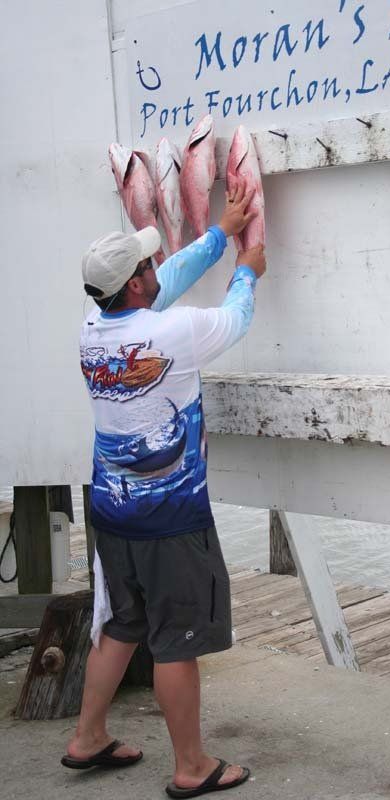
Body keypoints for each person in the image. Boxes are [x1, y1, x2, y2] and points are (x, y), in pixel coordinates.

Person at [63, 181, 266, 798]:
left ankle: (87, 737)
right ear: (132, 284)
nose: (157, 265)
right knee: (177, 641)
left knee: (121, 625)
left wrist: (219, 234)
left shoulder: (91, 328)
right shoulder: (174, 334)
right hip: (171, 519)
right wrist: (247, 271)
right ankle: (192, 767)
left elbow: (166, 280)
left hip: (111, 513)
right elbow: (235, 318)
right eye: (146, 264)